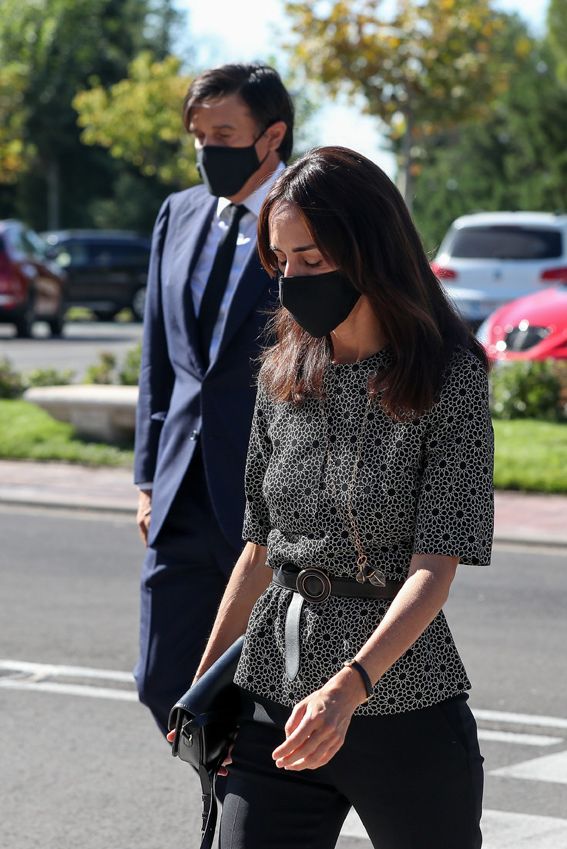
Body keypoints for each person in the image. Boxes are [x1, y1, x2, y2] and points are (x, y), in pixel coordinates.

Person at [187, 146, 494, 848]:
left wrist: (348, 687)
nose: (293, 277)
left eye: (313, 260)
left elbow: (433, 568)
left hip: (400, 701)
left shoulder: (450, 377)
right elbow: (258, 548)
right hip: (273, 698)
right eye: (282, 260)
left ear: (370, 250)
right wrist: (206, 683)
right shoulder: (281, 374)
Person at [133, 63, 295, 735]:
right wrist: (146, 479)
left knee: (269, 689)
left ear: (271, 135)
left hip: (272, 497)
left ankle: (248, 820)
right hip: (178, 493)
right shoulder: (178, 213)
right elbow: (159, 361)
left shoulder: (317, 216)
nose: (206, 151)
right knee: (165, 682)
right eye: (198, 136)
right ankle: (226, 795)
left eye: (223, 133)